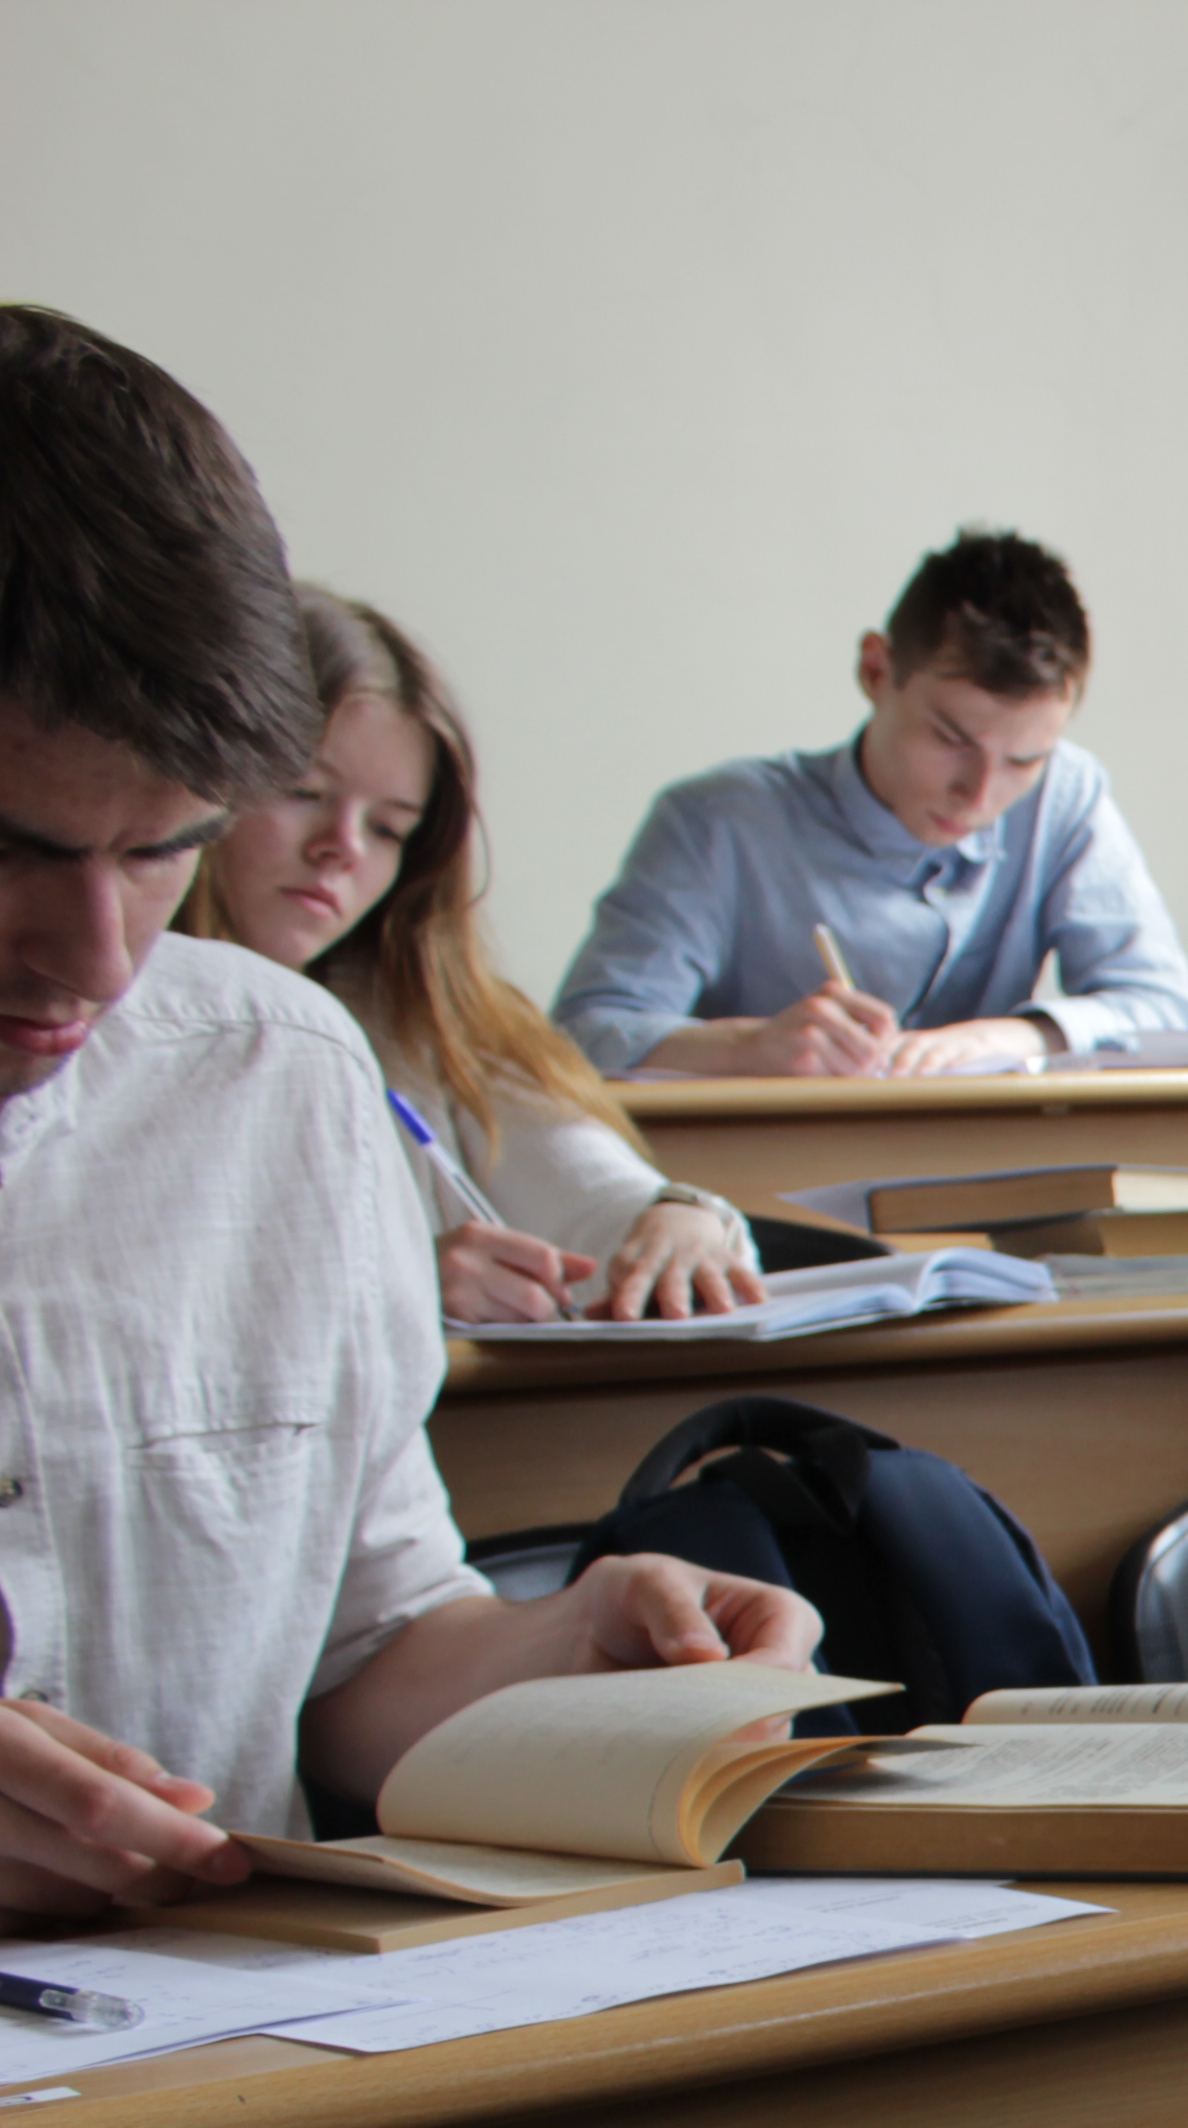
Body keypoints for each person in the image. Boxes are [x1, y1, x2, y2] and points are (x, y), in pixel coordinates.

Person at [0, 304, 816, 1923]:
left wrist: (565, 1657)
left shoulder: (280, 1080)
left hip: (231, 2032)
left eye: (164, 851)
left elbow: (365, 1654)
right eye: (13, 849)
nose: (97, 960)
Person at [182, 589, 763, 1324]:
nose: (343, 847)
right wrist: (394, 1283)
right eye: (305, 792)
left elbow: (586, 1193)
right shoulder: (96, 1019)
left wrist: (676, 1219)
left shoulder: (419, 1010)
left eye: (389, 830)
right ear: (203, 781)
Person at [547, 530, 1188, 1080]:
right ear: (876, 671)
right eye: (950, 739)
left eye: (1023, 761)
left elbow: (1171, 1012)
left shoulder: (1066, 795)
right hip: (769, 1183)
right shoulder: (718, 822)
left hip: (988, 1178)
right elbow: (580, 1037)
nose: (979, 795)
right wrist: (746, 1047)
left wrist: (1016, 1037)